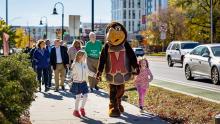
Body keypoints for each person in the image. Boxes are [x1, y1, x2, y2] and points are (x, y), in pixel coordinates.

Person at [70, 50, 94, 117]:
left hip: (84, 83)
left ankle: (82, 108)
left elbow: (88, 72)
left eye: (85, 56)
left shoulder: (84, 64)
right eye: (84, 56)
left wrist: (94, 75)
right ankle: (76, 110)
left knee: (85, 96)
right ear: (80, 56)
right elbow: (71, 74)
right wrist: (72, 78)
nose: (85, 57)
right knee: (78, 98)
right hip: (77, 83)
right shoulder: (74, 64)